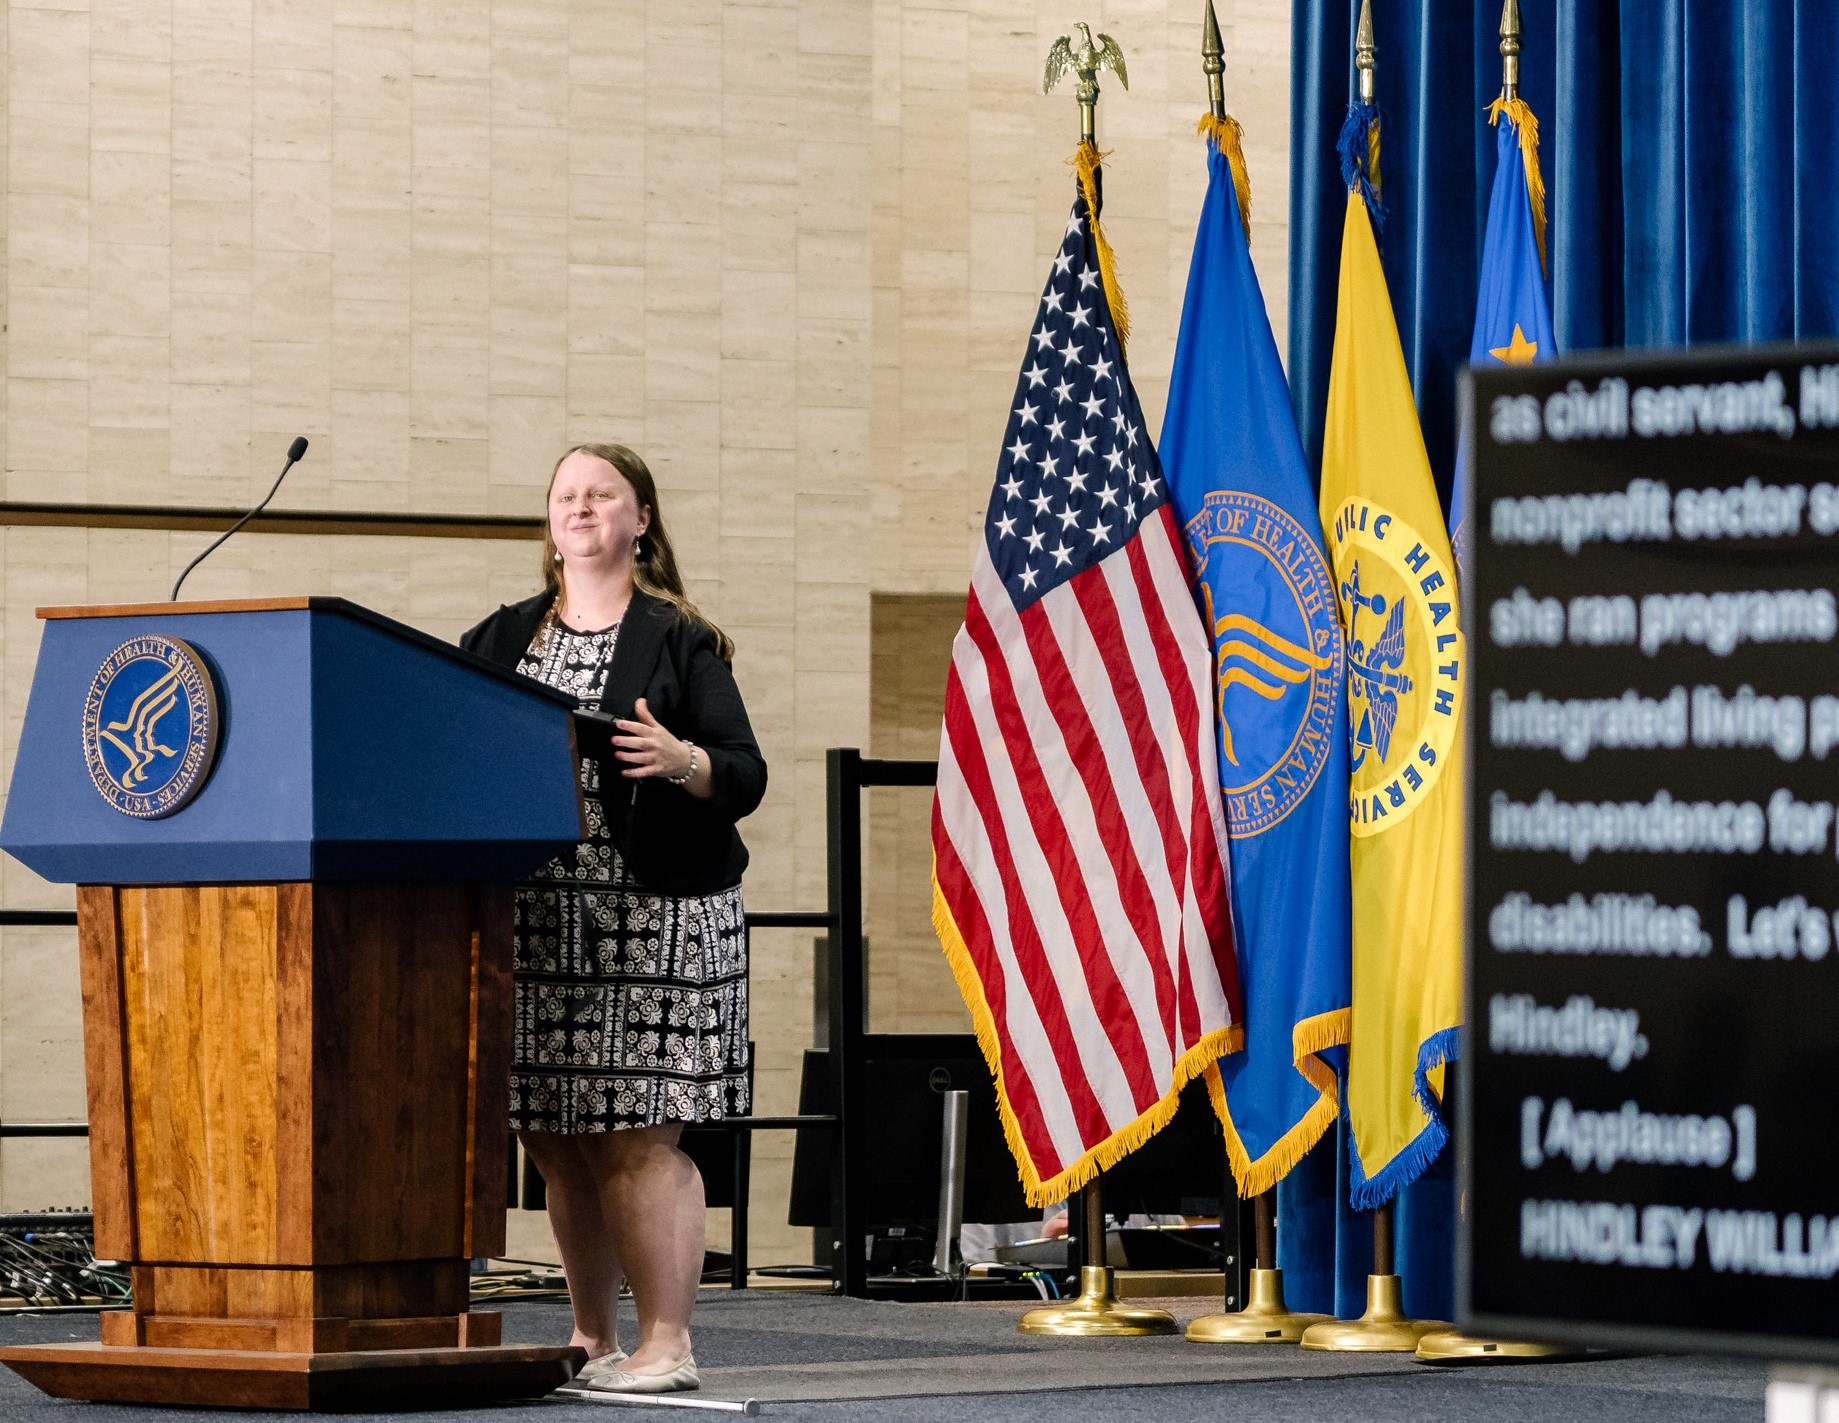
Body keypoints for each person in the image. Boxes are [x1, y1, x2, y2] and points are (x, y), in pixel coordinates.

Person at [462, 443, 767, 1396]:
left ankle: (666, 1343)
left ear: (641, 520)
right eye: (567, 494)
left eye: (602, 494)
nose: (582, 506)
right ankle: (591, 1335)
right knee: (558, 1138)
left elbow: (743, 772)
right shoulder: (499, 637)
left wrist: (681, 759)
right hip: (540, 923)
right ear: (549, 521)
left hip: (659, 919)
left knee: (638, 1137)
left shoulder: (679, 637)